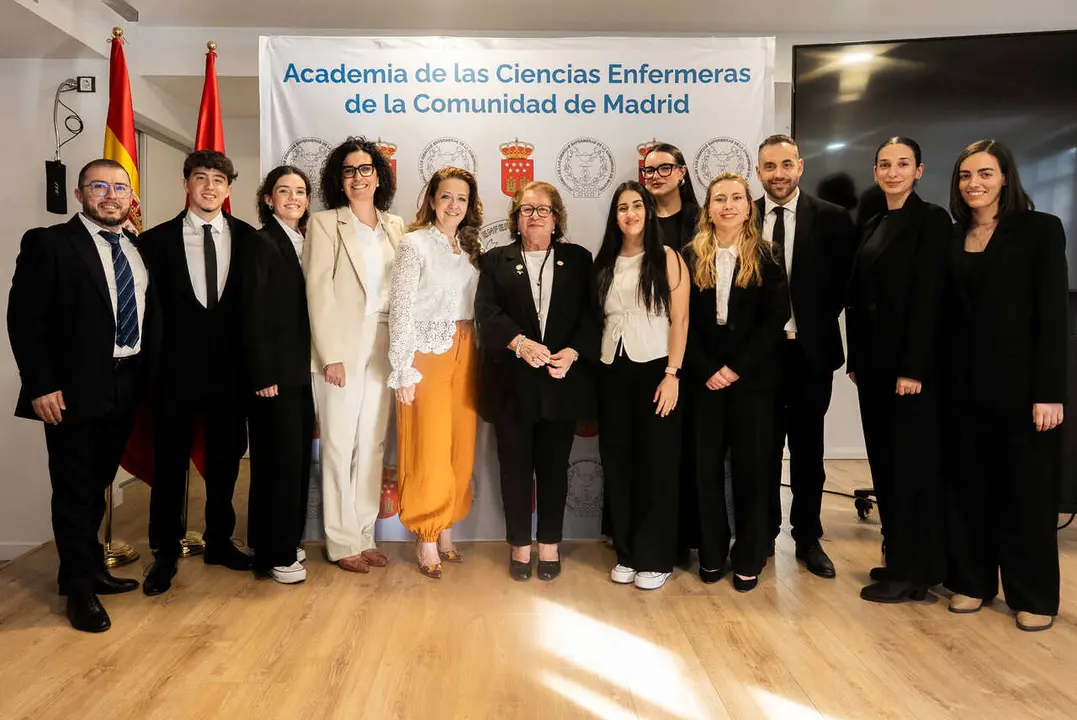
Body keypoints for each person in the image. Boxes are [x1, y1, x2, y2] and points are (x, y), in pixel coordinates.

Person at [7, 159, 159, 631]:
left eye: (120, 187)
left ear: (130, 196)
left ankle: (90, 568)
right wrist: (40, 386)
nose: (111, 195)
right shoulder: (49, 243)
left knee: (96, 487)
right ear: (79, 194)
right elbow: (24, 321)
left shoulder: (138, 247)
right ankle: (78, 591)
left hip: (126, 382)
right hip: (69, 391)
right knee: (73, 489)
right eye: (100, 186)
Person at [942, 139, 1068, 631]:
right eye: (966, 175)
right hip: (962, 389)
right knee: (969, 490)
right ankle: (972, 583)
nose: (974, 184)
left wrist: (1050, 392)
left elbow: (1052, 316)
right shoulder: (953, 236)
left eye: (985, 174)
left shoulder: (1039, 231)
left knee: (1026, 495)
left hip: (1023, 392)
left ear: (1005, 178)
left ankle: (1032, 594)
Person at [141, 150, 257, 596]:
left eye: (219, 180)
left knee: (226, 462)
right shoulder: (153, 243)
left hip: (231, 378)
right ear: (187, 184)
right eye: (201, 178)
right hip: (173, 377)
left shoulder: (249, 239)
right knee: (168, 466)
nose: (210, 187)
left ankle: (219, 542)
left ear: (229, 189)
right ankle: (164, 553)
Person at [475, 181, 599, 581]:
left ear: (556, 217)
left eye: (542, 210)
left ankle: (549, 543)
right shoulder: (495, 260)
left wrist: (574, 353)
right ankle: (519, 545)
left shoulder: (578, 259)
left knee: (553, 468)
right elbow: (486, 313)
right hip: (511, 384)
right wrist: (519, 343)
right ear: (515, 217)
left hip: (560, 383)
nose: (534, 216)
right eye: (526, 210)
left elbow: (591, 317)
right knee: (513, 469)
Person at [846, 136, 950, 604]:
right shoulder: (875, 221)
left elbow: (928, 297)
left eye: (903, 164)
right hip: (873, 369)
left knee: (910, 468)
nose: (893, 172)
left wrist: (913, 367)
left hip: (907, 372)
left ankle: (915, 570)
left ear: (919, 171)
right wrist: (856, 360)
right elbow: (859, 298)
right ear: (875, 172)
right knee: (886, 464)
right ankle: (901, 556)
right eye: (884, 164)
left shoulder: (931, 220)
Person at [755, 135, 856, 579]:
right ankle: (762, 534)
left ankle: (807, 538)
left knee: (808, 451)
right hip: (759, 356)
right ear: (758, 172)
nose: (778, 174)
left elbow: (844, 285)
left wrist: (807, 323)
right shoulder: (743, 215)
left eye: (785, 165)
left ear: (800, 166)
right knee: (762, 449)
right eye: (768, 166)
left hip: (810, 352)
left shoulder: (832, 219)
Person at [684, 172, 789, 592]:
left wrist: (736, 368)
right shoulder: (688, 255)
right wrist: (707, 368)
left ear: (749, 207)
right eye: (719, 199)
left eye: (736, 198)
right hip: (703, 380)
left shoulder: (768, 254)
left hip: (752, 382)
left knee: (753, 470)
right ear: (708, 208)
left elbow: (774, 319)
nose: (728, 205)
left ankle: (748, 554)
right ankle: (711, 552)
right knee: (705, 470)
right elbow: (681, 321)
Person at [306, 136, 407, 573]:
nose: (358, 177)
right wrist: (330, 355)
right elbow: (317, 293)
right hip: (342, 345)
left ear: (380, 176)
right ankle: (340, 541)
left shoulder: (397, 226)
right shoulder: (325, 223)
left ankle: (364, 533)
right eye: (349, 171)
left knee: (373, 445)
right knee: (338, 445)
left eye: (366, 169)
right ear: (339, 180)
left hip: (387, 341)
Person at [388, 167, 482, 579]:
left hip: (467, 350)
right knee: (428, 444)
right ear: (431, 200)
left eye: (461, 198)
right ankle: (426, 534)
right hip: (427, 352)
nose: (453, 205)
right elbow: (402, 308)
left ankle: (446, 527)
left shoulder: (468, 248)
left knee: (460, 443)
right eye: (446, 196)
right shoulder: (413, 245)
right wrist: (402, 367)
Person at [595, 181, 689, 591]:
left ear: (649, 212)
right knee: (618, 463)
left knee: (656, 464)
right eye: (622, 208)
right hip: (613, 370)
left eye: (637, 206)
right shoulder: (606, 261)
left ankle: (657, 556)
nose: (630, 214)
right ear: (614, 217)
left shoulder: (667, 257)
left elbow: (681, 320)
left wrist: (673, 374)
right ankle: (628, 553)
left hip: (656, 370)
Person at [240, 165, 315, 584]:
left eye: (300, 191)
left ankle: (274, 539)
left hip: (299, 371)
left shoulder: (302, 240)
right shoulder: (261, 241)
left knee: (293, 461)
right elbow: (253, 312)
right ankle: (277, 554)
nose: (292, 198)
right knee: (278, 464)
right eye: (283, 191)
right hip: (274, 375)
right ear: (268, 199)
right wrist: (262, 372)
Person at [641, 141, 702, 568]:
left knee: (691, 450)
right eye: (650, 170)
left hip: (698, 354)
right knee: (652, 451)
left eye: (665, 167)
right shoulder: (637, 222)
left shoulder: (703, 223)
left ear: (682, 172)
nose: (657, 175)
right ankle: (646, 532)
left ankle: (686, 537)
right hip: (648, 356)